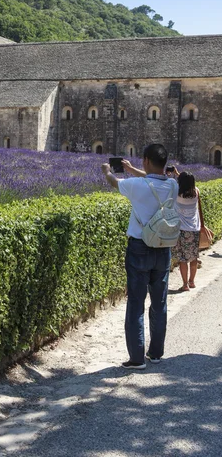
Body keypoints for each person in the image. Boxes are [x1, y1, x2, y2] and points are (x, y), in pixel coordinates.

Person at [101, 144, 178, 370]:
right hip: (163, 247)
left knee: (136, 302)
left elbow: (114, 182)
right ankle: (155, 354)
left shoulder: (136, 186)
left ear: (145, 160)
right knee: (159, 301)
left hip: (140, 247)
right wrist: (134, 168)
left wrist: (107, 170)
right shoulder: (172, 185)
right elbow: (156, 179)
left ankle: (136, 358)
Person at [172, 172, 200, 292]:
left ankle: (185, 284)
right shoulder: (196, 192)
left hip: (180, 230)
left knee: (182, 258)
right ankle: (192, 281)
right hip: (194, 229)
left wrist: (175, 174)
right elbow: (189, 183)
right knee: (193, 257)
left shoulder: (176, 194)